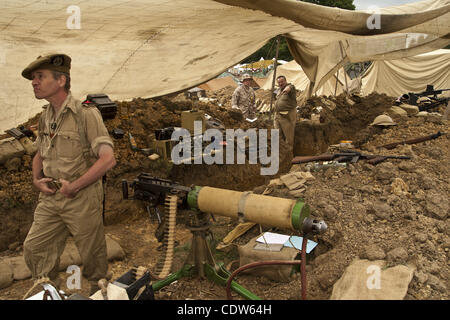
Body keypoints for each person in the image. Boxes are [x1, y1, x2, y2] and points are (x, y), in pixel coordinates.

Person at [21, 53, 116, 295]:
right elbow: (40, 154)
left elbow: (107, 159)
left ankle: (100, 291)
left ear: (61, 80)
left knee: (93, 255)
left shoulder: (85, 113)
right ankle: (49, 290)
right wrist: (36, 179)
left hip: (81, 197)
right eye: (33, 78)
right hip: (51, 197)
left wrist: (75, 186)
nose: (34, 82)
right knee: (35, 247)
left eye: (40, 76)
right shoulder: (46, 116)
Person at [273, 75, 297, 153]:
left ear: (285, 81)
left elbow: (291, 87)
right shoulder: (278, 90)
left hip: (287, 116)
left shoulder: (290, 88)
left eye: (282, 82)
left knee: (288, 136)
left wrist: (287, 88)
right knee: (277, 134)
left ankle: (289, 154)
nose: (280, 83)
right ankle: (281, 152)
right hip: (278, 115)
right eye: (279, 82)